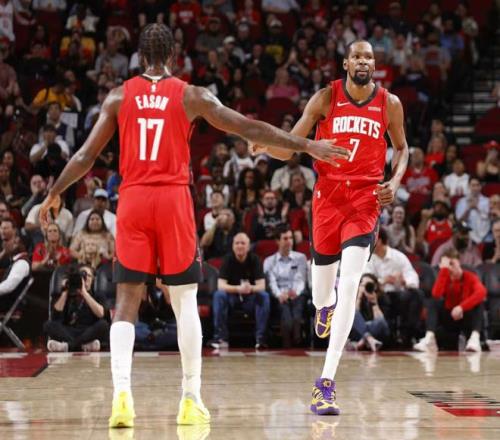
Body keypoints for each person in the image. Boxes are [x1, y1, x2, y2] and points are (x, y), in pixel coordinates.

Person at [38, 24, 347, 429]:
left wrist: (54, 192)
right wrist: (306, 145)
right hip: (172, 199)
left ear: (139, 56)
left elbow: (84, 156)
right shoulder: (190, 94)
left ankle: (121, 399)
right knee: (184, 302)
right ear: (173, 55)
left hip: (133, 199)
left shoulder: (118, 96)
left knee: (126, 300)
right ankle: (190, 399)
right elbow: (246, 126)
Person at [253, 39, 409, 415]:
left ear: (374, 65)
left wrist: (395, 181)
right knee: (323, 293)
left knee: (350, 281)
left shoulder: (389, 103)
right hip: (328, 199)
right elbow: (291, 145)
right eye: (357, 56)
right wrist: (265, 145)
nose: (363, 61)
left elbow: (403, 149)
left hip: (365, 201)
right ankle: (326, 306)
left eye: (369, 57)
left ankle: (325, 383)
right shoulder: (326, 98)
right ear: (346, 63)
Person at [414, 249, 486, 352]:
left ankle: (474, 339)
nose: (450, 268)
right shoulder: (444, 277)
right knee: (433, 302)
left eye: (452, 264)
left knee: (479, 303)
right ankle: (429, 338)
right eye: (447, 265)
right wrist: (443, 271)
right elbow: (436, 294)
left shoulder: (470, 277)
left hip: (466, 316)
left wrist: (461, 307)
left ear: (459, 262)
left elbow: (481, 292)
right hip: (449, 317)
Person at [210, 232, 270, 348]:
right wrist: (238, 289)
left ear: (248, 246)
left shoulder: (255, 259)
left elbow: (261, 286)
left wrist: (249, 288)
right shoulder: (227, 260)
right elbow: (221, 285)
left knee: (264, 296)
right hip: (232, 297)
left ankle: (261, 338)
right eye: (237, 243)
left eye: (243, 243)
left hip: (250, 298)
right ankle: (220, 338)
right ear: (233, 246)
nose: (239, 246)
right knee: (219, 295)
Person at [366, 228, 422, 347]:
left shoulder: (398, 257)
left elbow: (412, 276)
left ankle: (407, 335)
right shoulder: (370, 259)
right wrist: (383, 281)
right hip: (380, 294)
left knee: (416, 294)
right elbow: (366, 280)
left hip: (399, 294)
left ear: (379, 241)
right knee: (381, 298)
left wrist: (404, 281)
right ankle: (384, 336)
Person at [43, 264, 109, 352]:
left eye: (88, 275)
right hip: (69, 331)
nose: (85, 278)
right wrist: (65, 291)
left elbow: (101, 314)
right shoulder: (67, 293)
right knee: (48, 325)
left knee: (103, 325)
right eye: (82, 275)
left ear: (93, 279)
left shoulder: (97, 294)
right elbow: (55, 317)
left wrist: (84, 293)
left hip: (88, 331)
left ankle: (67, 346)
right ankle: (82, 346)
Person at [263, 225, 308, 348]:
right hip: (279, 295)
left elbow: (301, 279)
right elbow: (271, 282)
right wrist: (279, 295)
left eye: (291, 238)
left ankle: (298, 341)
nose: (289, 241)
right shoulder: (269, 261)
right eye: (285, 238)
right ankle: (287, 344)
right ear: (277, 241)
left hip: (297, 294)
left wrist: (295, 292)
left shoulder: (301, 258)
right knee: (287, 319)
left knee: (297, 315)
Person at [348, 273, 390, 352]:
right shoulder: (354, 297)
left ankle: (365, 340)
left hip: (376, 330)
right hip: (360, 330)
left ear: (375, 286)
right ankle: (369, 339)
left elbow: (381, 321)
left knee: (380, 321)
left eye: (369, 285)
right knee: (353, 314)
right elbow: (354, 317)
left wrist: (374, 303)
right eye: (363, 285)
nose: (366, 287)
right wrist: (359, 297)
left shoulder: (382, 297)